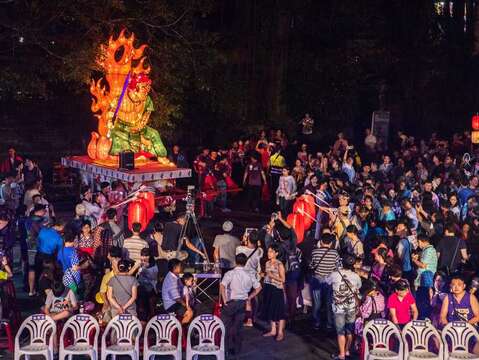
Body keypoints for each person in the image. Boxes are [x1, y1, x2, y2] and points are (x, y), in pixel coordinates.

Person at [220, 253, 262, 357]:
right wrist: (249, 297)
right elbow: (259, 288)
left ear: (235, 261)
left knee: (225, 327)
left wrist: (224, 299)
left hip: (230, 303)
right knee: (238, 328)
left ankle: (225, 350)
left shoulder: (230, 273)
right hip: (242, 303)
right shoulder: (250, 274)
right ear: (246, 262)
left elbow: (222, 286)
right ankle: (237, 351)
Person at [326, 255, 362, 360]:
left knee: (340, 331)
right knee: (349, 331)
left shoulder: (335, 274)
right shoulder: (356, 276)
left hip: (338, 308)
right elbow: (358, 287)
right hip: (351, 307)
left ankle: (341, 354)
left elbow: (326, 281)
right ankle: (347, 351)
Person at [309, 233, 340, 330]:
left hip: (317, 279)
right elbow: (337, 267)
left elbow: (311, 266)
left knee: (317, 303)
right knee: (329, 303)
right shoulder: (335, 253)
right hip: (329, 281)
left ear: (321, 242)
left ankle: (316, 323)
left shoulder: (314, 252)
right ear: (331, 243)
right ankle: (329, 323)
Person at [261, 244, 286, 342]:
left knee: (279, 311)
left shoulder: (279, 264)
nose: (269, 253)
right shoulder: (267, 263)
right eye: (268, 251)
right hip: (268, 287)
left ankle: (280, 332)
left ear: (276, 253)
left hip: (277, 289)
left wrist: (272, 276)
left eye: (271, 252)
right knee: (270, 309)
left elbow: (283, 279)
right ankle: (273, 330)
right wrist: (263, 275)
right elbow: (267, 275)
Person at [412, 235, 437, 319]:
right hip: (424, 279)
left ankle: (424, 317)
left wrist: (414, 260)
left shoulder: (429, 250)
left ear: (423, 241)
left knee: (424, 299)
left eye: (418, 242)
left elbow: (423, 265)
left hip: (426, 279)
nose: (418, 244)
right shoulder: (427, 250)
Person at [162, 259, 193, 324]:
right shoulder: (171, 280)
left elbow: (181, 288)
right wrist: (186, 306)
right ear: (175, 268)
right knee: (189, 313)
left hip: (175, 302)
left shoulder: (175, 275)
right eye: (180, 266)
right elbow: (176, 298)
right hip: (171, 305)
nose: (181, 267)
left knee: (191, 308)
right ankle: (179, 329)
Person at [137, 247, 159, 320]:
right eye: (142, 255)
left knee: (150, 307)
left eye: (146, 255)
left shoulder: (153, 265)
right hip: (140, 287)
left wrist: (144, 269)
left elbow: (153, 277)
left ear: (150, 256)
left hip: (150, 288)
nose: (144, 257)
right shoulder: (140, 263)